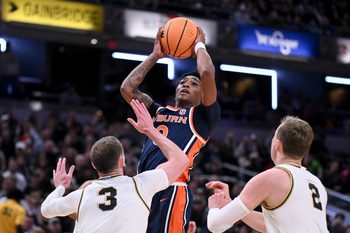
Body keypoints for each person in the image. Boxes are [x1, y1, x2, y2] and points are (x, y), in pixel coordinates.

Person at [120, 25, 220, 233]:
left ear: (203, 94)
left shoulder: (202, 116)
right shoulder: (157, 111)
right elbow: (127, 89)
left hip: (171, 188)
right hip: (143, 188)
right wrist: (155, 55)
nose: (185, 85)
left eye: (193, 84)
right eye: (182, 82)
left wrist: (199, 44)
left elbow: (207, 72)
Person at [41, 99, 190, 233]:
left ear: (94, 165)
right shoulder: (140, 185)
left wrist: (60, 187)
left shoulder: (81, 195)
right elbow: (181, 160)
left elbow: (45, 210)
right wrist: (151, 131)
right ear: (122, 160)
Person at [206, 116, 329, 233]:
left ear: (277, 145)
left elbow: (216, 225)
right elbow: (274, 226)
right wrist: (230, 206)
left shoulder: (272, 177)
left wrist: (215, 207)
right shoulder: (317, 183)